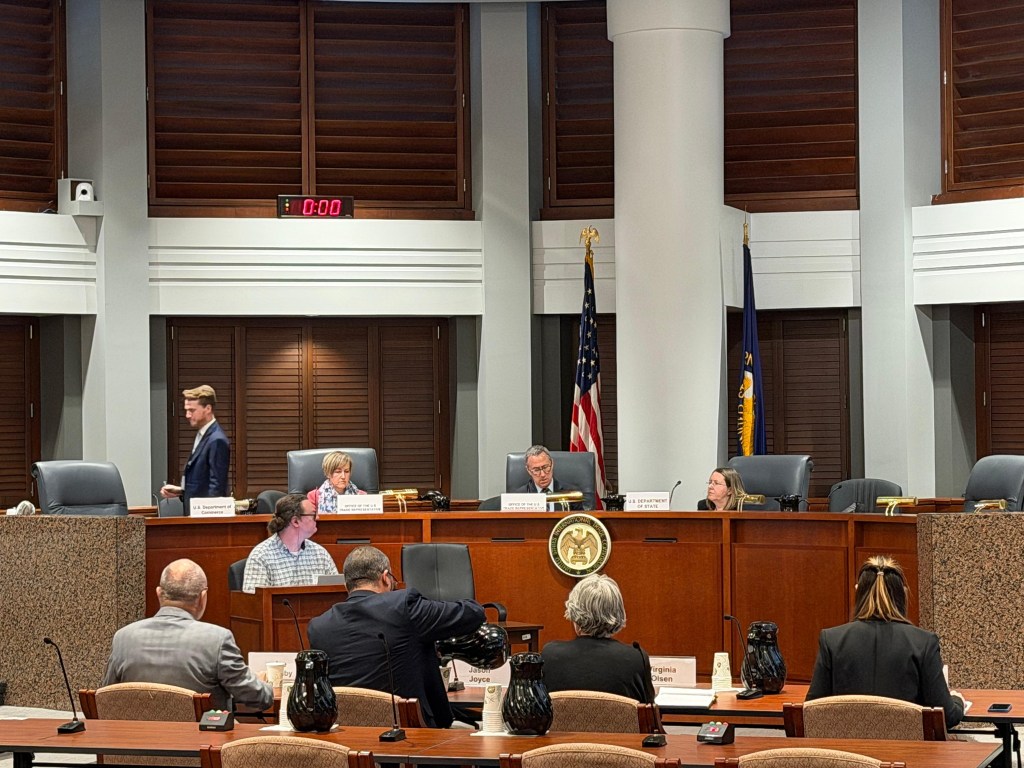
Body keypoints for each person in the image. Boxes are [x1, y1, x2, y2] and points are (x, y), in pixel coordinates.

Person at [306, 545, 485, 728]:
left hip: (347, 733)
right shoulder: (403, 606)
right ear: (385, 578)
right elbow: (473, 614)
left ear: (347, 585)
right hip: (409, 732)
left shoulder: (318, 627)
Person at [807, 555, 965, 729]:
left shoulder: (831, 639)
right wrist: (957, 700)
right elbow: (947, 716)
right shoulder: (924, 642)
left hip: (848, 745)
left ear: (858, 592)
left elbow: (812, 711)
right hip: (907, 746)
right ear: (903, 594)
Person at [102, 559, 271, 711]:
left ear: (159, 593)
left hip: (137, 735)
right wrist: (269, 685)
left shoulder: (122, 638)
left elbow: (105, 697)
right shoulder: (217, 640)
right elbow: (257, 697)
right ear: (202, 597)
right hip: (200, 736)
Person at [541, 573, 656, 702]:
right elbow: (648, 710)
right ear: (617, 612)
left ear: (574, 613)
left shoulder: (550, 656)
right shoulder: (636, 659)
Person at [242, 493, 338, 593]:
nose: (317, 517)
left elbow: (337, 593)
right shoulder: (261, 556)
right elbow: (256, 601)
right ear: (295, 521)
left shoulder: (320, 554)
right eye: (313, 514)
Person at [160, 385, 230, 514]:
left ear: (207, 409)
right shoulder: (202, 435)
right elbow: (202, 482)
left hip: (206, 518)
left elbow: (216, 488)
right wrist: (182, 490)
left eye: (192, 410)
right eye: (186, 410)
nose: (187, 415)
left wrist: (205, 519)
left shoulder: (217, 440)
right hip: (195, 513)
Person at [513, 444, 591, 510]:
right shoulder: (519, 497)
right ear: (529, 470)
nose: (543, 474)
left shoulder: (571, 494)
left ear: (552, 464)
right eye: (536, 470)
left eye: (545, 467)